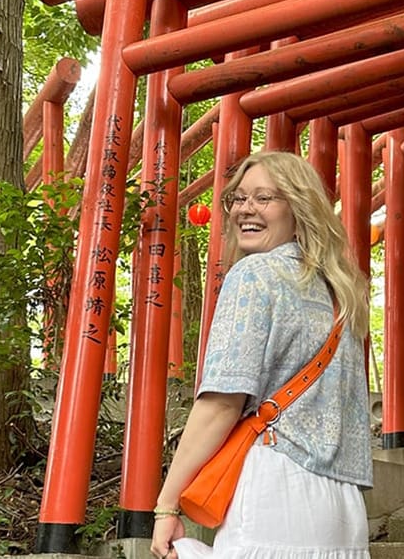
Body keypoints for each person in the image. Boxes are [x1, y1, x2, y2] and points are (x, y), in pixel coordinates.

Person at [150, 151, 372, 559]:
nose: (245, 209)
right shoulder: (339, 292)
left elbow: (221, 403)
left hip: (277, 483)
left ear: (298, 209)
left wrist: (167, 503)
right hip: (342, 503)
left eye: (264, 198)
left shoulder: (255, 274)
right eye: (238, 198)